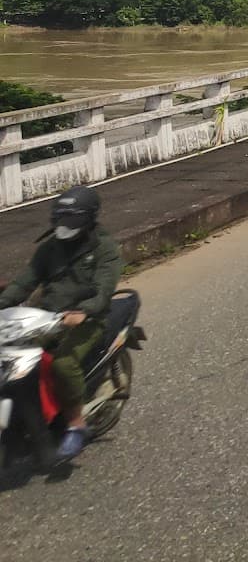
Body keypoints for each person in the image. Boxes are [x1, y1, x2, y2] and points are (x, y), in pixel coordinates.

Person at [0, 184, 123, 461]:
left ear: (89, 219)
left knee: (63, 364)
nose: (64, 226)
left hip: (87, 319)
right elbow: (25, 282)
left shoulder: (105, 249)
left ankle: (76, 424)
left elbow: (104, 289)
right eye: (60, 218)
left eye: (71, 219)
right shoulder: (50, 248)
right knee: (15, 357)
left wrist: (84, 311)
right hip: (47, 317)